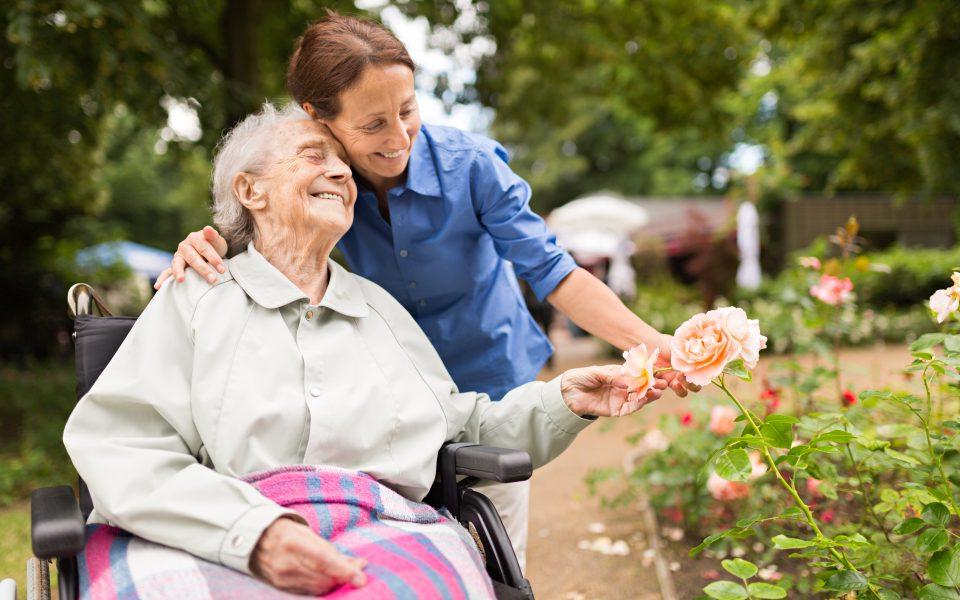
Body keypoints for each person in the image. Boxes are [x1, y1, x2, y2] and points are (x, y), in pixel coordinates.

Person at [155, 12, 697, 568]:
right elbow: (266, 222)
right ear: (319, 119)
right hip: (390, 403)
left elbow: (553, 271)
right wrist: (210, 240)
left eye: (408, 111)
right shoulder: (325, 180)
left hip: (492, 379)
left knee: (495, 553)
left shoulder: (473, 166)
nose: (397, 138)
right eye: (372, 126)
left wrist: (654, 343)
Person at [65, 103, 666, 598]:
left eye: (344, 164)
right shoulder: (196, 298)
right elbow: (120, 444)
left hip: (377, 530)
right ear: (250, 190)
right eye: (312, 157)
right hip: (210, 530)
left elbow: (458, 427)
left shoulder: (377, 308)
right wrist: (253, 532)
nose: (343, 173)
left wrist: (565, 400)